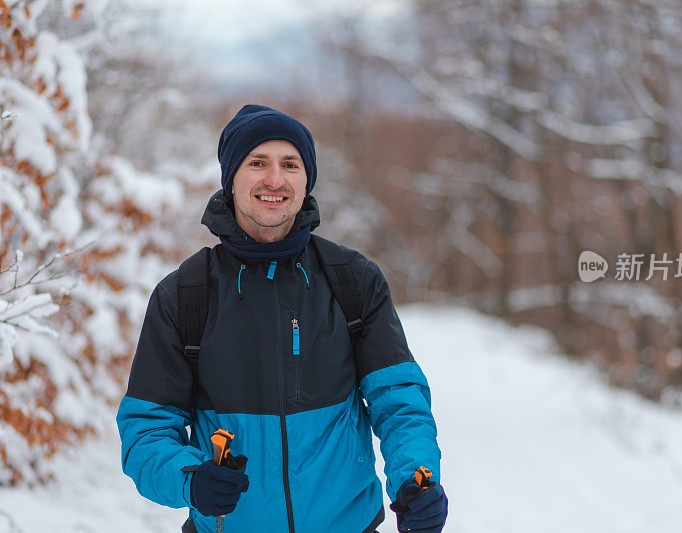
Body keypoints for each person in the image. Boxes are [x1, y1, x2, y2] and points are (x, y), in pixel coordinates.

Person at [116, 105, 448, 533]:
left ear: (306, 180)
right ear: (231, 179)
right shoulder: (184, 295)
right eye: (257, 163)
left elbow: (400, 402)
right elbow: (146, 430)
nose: (275, 180)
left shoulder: (353, 280)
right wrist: (191, 478)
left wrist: (414, 480)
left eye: (290, 165)